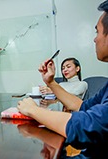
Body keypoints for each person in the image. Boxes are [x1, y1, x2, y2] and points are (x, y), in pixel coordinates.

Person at [17, 0, 108, 150]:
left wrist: (33, 110)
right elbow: (81, 106)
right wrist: (51, 82)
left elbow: (87, 126)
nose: (95, 38)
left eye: (97, 31)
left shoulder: (82, 84)